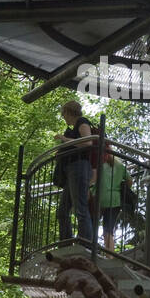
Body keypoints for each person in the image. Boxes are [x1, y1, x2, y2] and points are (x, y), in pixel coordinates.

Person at [54, 99, 95, 243]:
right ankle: (66, 243)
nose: (63, 117)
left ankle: (86, 244)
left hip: (79, 168)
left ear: (69, 112)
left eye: (63, 113)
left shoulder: (82, 122)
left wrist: (64, 139)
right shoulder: (71, 128)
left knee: (80, 208)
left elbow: (87, 142)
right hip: (71, 171)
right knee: (63, 211)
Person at [92, 142, 128, 252]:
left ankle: (107, 255)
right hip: (116, 200)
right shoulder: (120, 166)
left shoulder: (100, 166)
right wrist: (121, 188)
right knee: (109, 230)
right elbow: (129, 180)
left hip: (102, 199)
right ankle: (111, 255)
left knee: (97, 227)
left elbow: (93, 182)